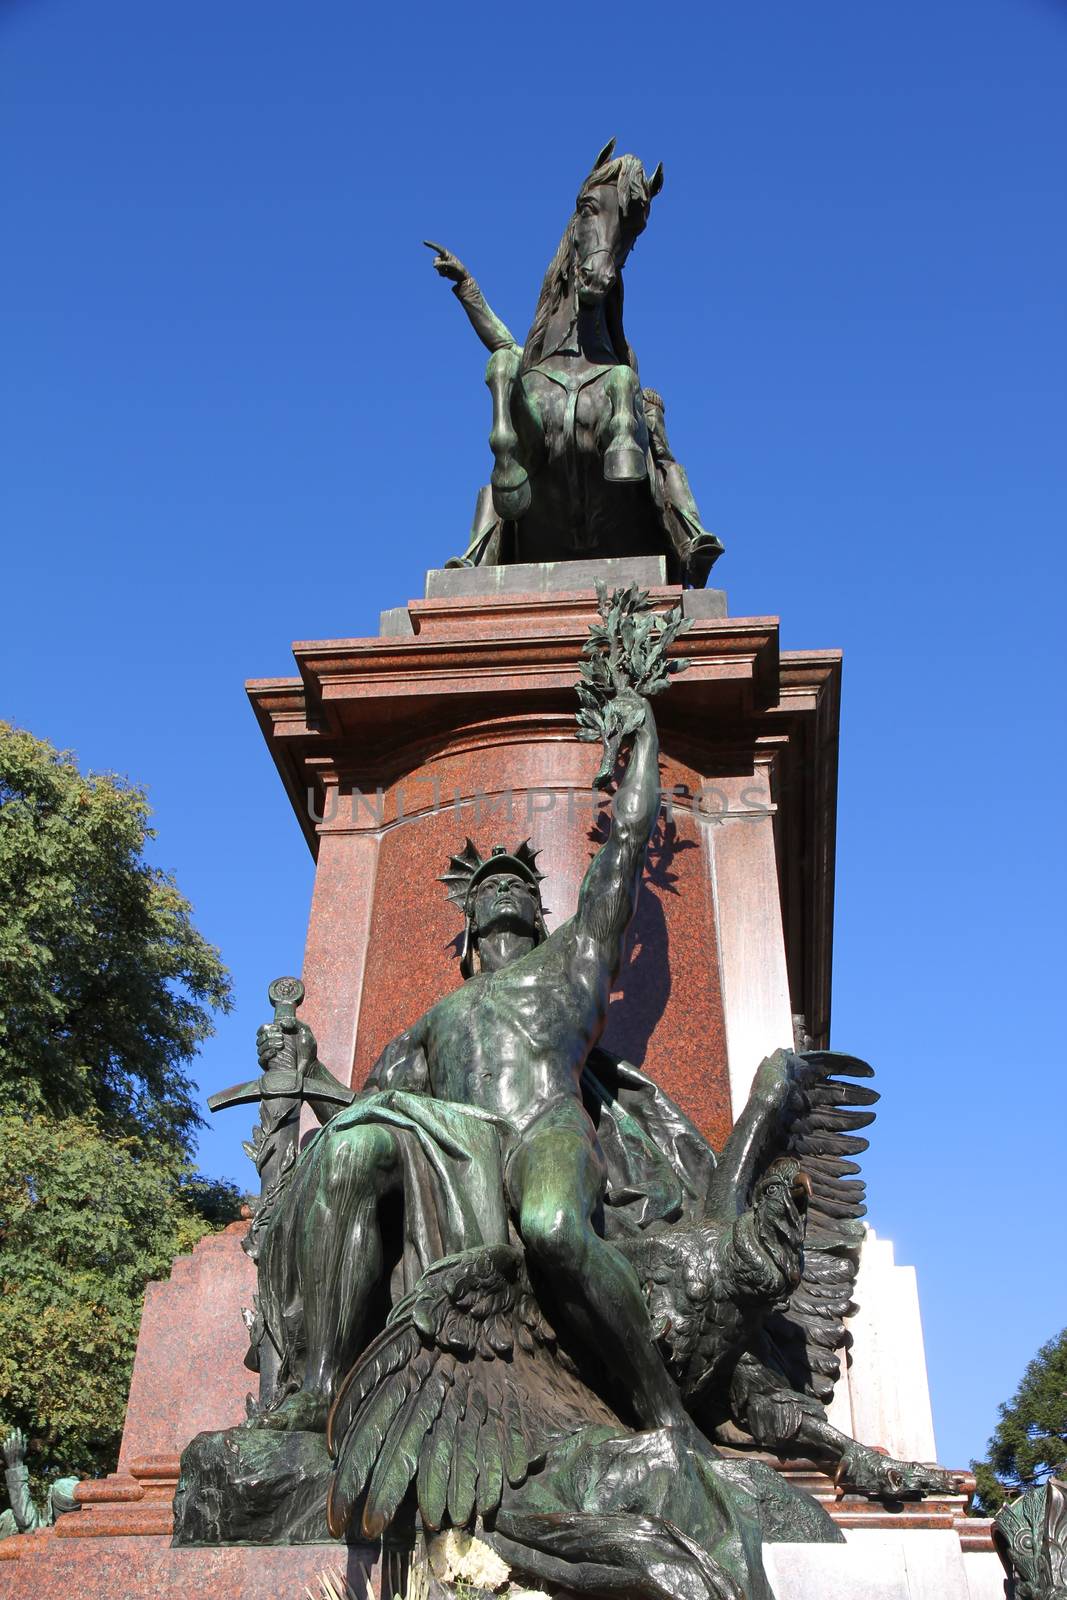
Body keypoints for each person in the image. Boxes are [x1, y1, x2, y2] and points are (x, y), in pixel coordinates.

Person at [251, 685, 693, 1442]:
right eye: (487, 886)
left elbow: (625, 841)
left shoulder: (574, 959)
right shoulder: (433, 1022)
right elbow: (367, 1106)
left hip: (544, 1129)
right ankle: (319, 1391)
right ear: (467, 919)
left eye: (517, 882)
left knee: (554, 1228)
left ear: (538, 907)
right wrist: (305, 1072)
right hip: (454, 1146)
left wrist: (644, 734)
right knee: (354, 1149)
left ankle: (664, 1412)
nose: (502, 889)